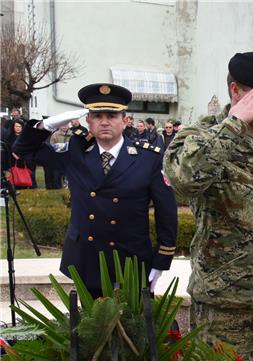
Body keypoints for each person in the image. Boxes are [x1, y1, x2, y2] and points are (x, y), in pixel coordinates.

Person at [164, 52, 253, 361]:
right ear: (236, 91)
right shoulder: (201, 136)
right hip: (224, 305)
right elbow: (184, 178)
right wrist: (234, 124)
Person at [13, 84, 177, 296]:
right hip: (87, 258)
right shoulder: (76, 152)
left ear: (124, 120)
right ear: (88, 120)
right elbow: (22, 150)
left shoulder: (148, 158)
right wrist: (46, 124)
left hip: (130, 260)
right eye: (97, 116)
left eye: (112, 115)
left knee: (133, 326)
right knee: (90, 325)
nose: (105, 121)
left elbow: (167, 212)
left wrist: (162, 261)